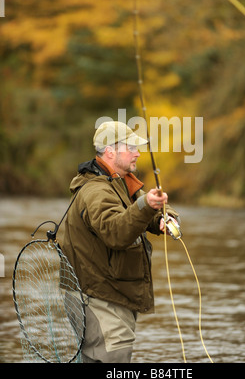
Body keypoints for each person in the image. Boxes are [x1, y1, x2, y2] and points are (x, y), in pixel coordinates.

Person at [61, 120, 180, 363]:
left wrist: (161, 216)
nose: (138, 153)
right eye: (131, 147)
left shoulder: (120, 183)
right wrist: (145, 205)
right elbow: (116, 231)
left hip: (109, 294)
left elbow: (136, 208)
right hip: (100, 297)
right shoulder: (96, 191)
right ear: (110, 151)